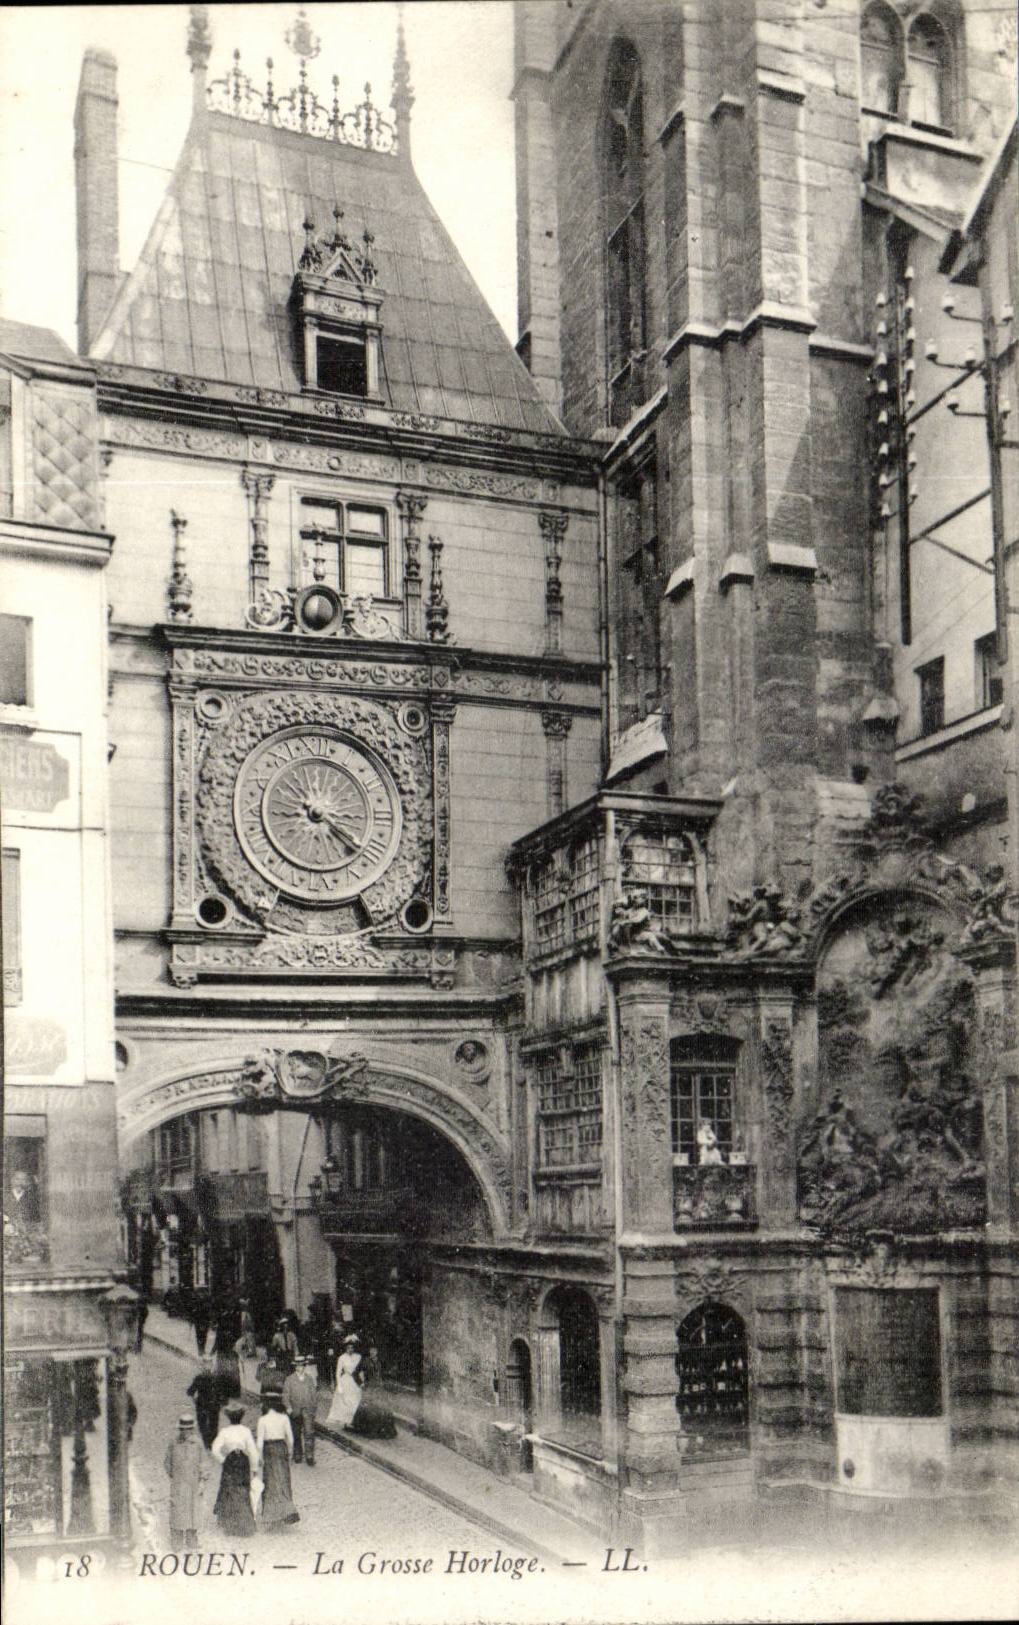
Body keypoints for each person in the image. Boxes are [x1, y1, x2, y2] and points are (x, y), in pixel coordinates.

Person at [211, 1401, 258, 1537]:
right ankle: (243, 1523)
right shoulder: (246, 1431)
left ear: (229, 1417)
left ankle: (228, 1522)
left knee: (228, 1489)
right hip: (243, 1462)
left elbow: (215, 1449)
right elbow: (252, 1451)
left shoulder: (225, 1432)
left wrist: (223, 1460)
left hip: (230, 1462)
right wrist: (254, 1470)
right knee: (243, 1489)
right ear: (241, 1416)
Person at [256, 1391, 300, 1527]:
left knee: (270, 1481)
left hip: (269, 1449)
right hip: (281, 1448)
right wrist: (291, 1452)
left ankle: (271, 1514)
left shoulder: (262, 1420)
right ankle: (287, 1511)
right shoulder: (284, 1418)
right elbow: (291, 1439)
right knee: (283, 1479)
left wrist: (259, 1457)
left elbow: (259, 1442)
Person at [164, 1414, 203, 1551]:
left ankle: (192, 1539)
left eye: (188, 1429)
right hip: (179, 1483)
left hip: (193, 1483)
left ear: (192, 1430)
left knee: (193, 1512)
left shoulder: (197, 1444)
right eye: (182, 1429)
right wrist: (176, 1477)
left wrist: (202, 1480)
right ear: (179, 1429)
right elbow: (167, 1463)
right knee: (177, 1511)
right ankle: (177, 1540)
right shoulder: (173, 1443)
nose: (185, 1432)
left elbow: (203, 1463)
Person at [283, 1356, 318, 1466]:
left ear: (305, 1366)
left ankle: (309, 1455)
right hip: (295, 1410)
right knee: (296, 1433)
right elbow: (285, 1395)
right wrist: (288, 1407)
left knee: (309, 1432)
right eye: (298, 1366)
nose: (300, 1368)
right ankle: (298, 1453)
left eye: (302, 1365)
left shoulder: (309, 1379)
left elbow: (314, 1395)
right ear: (295, 1367)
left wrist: (313, 1407)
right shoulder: (289, 1379)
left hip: (308, 1410)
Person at [326, 1333, 364, 1429]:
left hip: (355, 1381)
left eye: (352, 1347)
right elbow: (338, 1373)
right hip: (346, 1380)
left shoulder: (358, 1357)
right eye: (348, 1348)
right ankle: (345, 1421)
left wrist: (362, 1381)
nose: (350, 1350)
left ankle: (352, 1420)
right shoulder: (342, 1358)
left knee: (355, 1400)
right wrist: (339, 1385)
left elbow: (360, 1371)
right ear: (345, 1348)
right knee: (345, 1401)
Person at [187, 1357, 225, 1451]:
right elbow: (222, 1394)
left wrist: (194, 1400)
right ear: (212, 1366)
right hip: (214, 1405)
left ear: (202, 1366)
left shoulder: (199, 1378)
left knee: (202, 1424)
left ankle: (206, 1442)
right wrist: (221, 1403)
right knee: (214, 1424)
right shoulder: (217, 1378)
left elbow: (190, 1392)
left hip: (202, 1404)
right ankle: (212, 1443)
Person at [190, 1289, 212, 1355]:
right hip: (200, 1320)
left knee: (202, 1335)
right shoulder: (197, 1299)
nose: (202, 1294)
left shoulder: (205, 1299)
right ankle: (201, 1349)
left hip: (202, 1320)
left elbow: (209, 1310)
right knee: (201, 1335)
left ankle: (201, 1349)